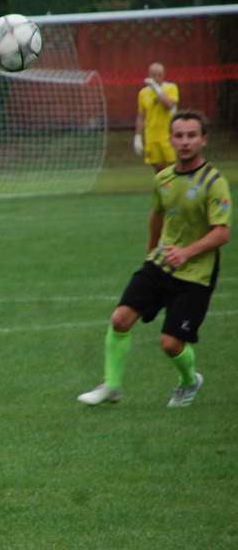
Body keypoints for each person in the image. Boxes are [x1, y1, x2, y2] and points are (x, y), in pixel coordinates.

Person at [78, 110, 231, 408]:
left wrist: (186, 252)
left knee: (170, 343)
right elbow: (157, 215)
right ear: (171, 139)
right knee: (120, 319)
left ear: (203, 139)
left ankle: (189, 382)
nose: (185, 142)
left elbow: (222, 233)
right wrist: (151, 252)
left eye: (191, 135)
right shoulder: (163, 179)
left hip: (196, 274)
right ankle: (112, 385)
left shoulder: (214, 182)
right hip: (160, 265)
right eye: (179, 136)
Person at [134, 63, 179, 173]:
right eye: (153, 75)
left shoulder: (171, 88)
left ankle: (176, 188)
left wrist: (156, 89)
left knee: (173, 166)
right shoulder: (143, 93)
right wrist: (138, 137)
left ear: (164, 75)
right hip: (151, 135)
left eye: (159, 75)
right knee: (158, 168)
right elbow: (141, 116)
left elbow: (168, 105)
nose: (156, 77)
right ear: (149, 75)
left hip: (168, 135)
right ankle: (163, 189)